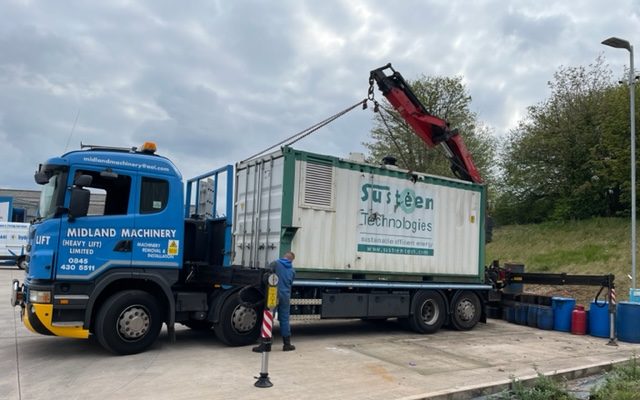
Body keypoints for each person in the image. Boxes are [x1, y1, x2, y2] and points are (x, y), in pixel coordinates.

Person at [253, 251, 296, 352]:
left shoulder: (275, 263)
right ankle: (287, 345)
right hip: (286, 296)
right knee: (284, 319)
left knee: (269, 317)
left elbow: (266, 277)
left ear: (284, 257)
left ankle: (265, 345)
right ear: (292, 260)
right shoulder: (293, 270)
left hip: (273, 294)